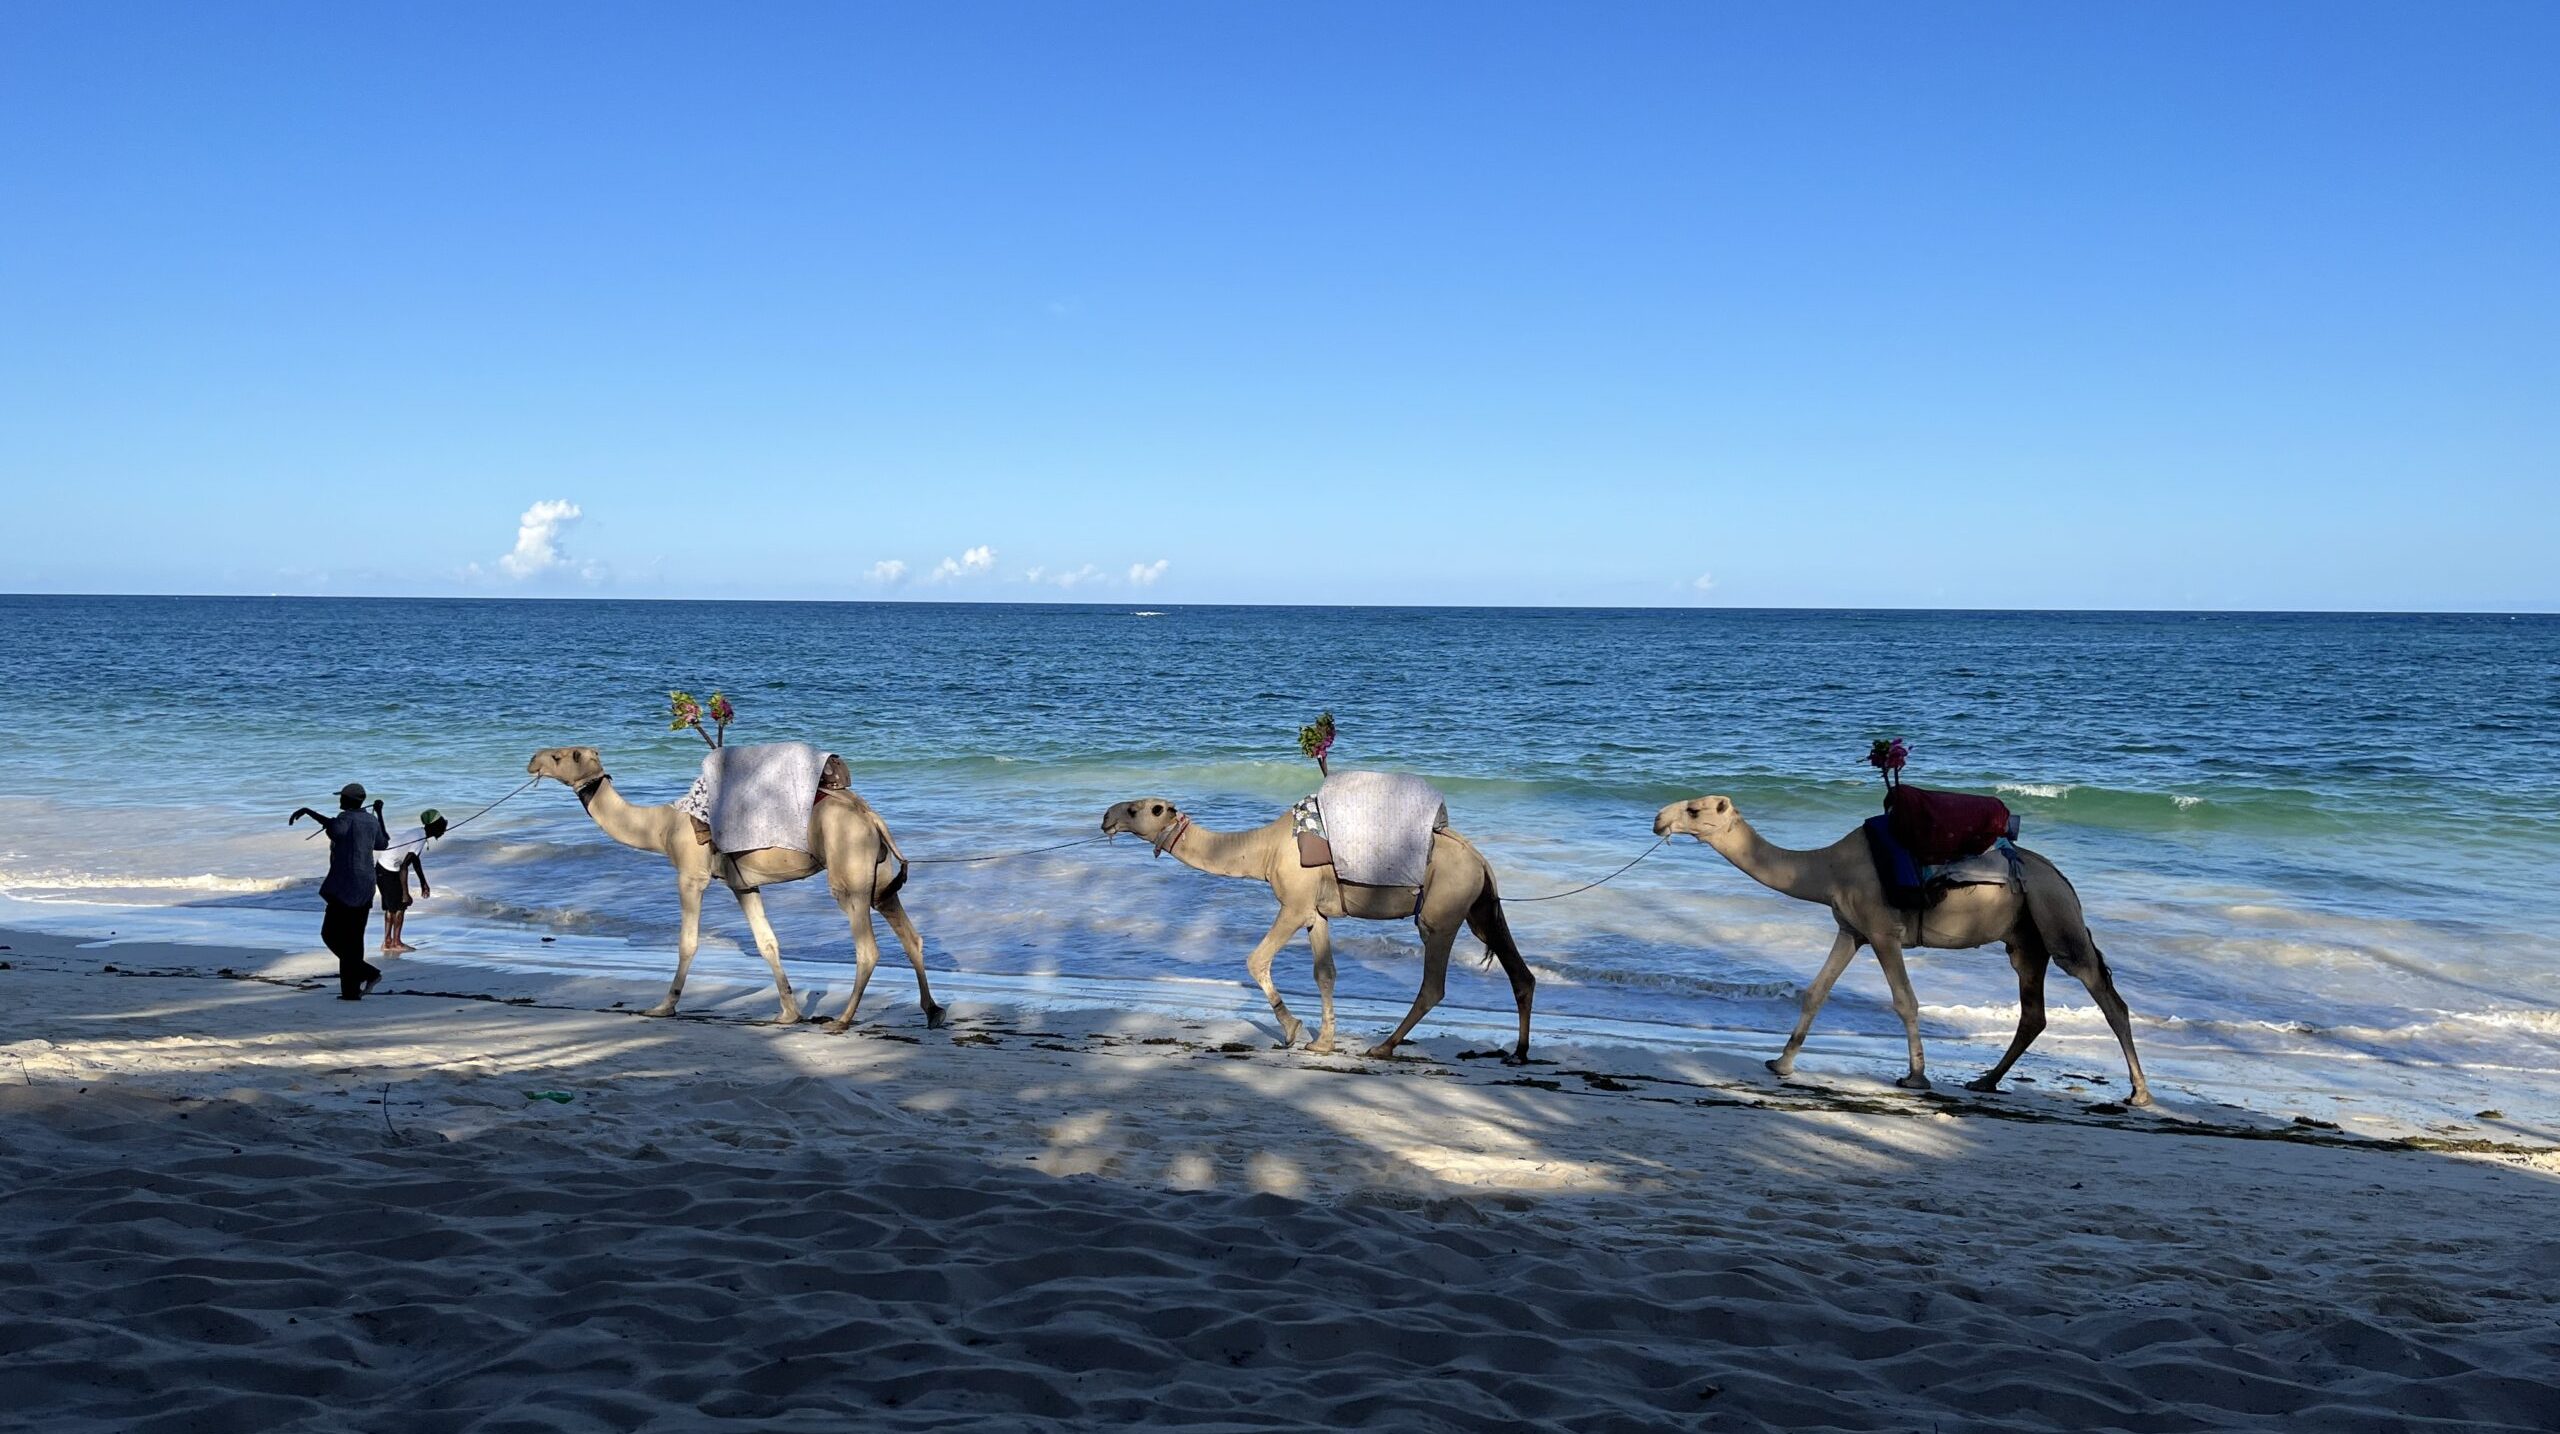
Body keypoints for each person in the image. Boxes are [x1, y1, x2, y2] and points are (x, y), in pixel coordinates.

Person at [287, 782, 387, 1000]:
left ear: (350, 800)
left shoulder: (346, 819)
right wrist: (379, 814)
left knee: (330, 934)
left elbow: (335, 830)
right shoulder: (371, 820)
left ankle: (368, 972)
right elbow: (383, 843)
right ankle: (351, 992)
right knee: (355, 939)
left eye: (342, 797)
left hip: (346, 887)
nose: (339, 800)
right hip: (366, 886)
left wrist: (308, 811)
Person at [376, 808, 449, 953]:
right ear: (433, 826)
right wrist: (405, 893)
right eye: (441, 826)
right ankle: (395, 943)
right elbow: (404, 866)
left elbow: (414, 861)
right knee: (400, 907)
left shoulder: (419, 832)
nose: (443, 829)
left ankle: (388, 941)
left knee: (391, 907)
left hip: (380, 868)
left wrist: (423, 882)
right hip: (389, 871)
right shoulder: (420, 838)